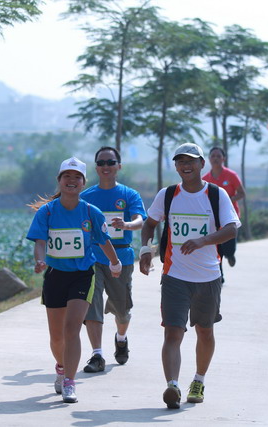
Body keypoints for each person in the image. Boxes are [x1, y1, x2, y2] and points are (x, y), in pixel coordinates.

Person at [139, 142, 240, 409]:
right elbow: (149, 224)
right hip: (175, 276)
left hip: (208, 277)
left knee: (205, 332)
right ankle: (172, 385)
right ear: (176, 166)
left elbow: (231, 229)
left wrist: (202, 241)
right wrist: (146, 250)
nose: (186, 166)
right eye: (181, 161)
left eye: (191, 161)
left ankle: (198, 380)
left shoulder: (216, 194)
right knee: (173, 332)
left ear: (201, 164)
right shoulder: (168, 195)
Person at [26, 157, 122, 404]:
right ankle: (61, 367)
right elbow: (40, 241)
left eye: (77, 177)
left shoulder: (91, 212)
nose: (72, 181)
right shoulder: (47, 212)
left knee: (72, 329)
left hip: (82, 274)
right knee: (57, 336)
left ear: (83, 183)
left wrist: (115, 263)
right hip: (55, 275)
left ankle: (70, 381)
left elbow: (104, 240)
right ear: (59, 181)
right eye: (67, 176)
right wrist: (40, 260)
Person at [80, 146, 146, 373]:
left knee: (122, 310)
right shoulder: (86, 197)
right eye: (101, 163)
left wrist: (127, 225)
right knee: (92, 304)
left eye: (110, 162)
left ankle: (121, 338)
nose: (105, 167)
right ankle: (97, 355)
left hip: (121, 257)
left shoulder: (129, 195)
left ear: (119, 166)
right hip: (93, 257)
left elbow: (140, 220)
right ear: (96, 168)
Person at [202, 146, 245, 267]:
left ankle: (230, 255)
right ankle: (219, 273)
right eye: (213, 156)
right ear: (209, 159)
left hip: (230, 215)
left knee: (229, 245)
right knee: (216, 247)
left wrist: (228, 201)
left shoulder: (231, 175)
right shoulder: (205, 179)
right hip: (213, 216)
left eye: (218, 156)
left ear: (223, 159)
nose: (215, 158)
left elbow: (242, 193)